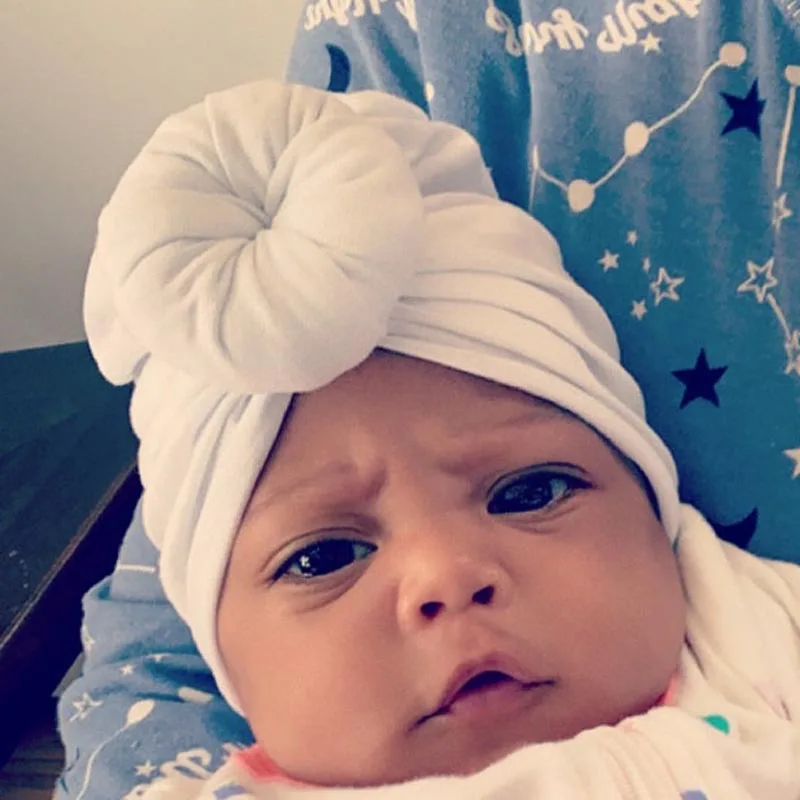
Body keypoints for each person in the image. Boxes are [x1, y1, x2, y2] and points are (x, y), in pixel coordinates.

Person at [56, 4, 800, 798]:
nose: (447, 574)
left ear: (660, 520)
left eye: (531, 493)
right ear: (224, 665)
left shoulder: (756, 633)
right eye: (322, 558)